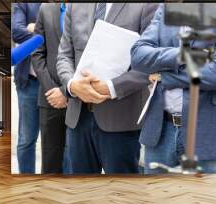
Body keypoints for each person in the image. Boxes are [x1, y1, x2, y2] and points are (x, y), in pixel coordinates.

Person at [56, 3, 159, 174]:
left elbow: (150, 60)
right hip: (78, 120)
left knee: (122, 196)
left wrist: (111, 88)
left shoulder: (147, 5)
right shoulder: (74, 6)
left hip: (121, 120)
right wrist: (72, 85)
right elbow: (64, 55)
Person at [130, 4, 216, 174]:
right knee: (158, 197)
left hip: (205, 128)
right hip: (161, 130)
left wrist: (164, 76)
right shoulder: (164, 11)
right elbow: (138, 55)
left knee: (206, 197)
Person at [32, 3, 68, 173]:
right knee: (51, 160)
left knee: (79, 161)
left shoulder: (91, 9)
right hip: (50, 98)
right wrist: (53, 90)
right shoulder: (45, 10)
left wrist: (68, 91)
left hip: (81, 99)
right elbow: (37, 53)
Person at [12, 3, 41, 174]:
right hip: (28, 82)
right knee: (27, 139)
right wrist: (46, 31)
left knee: (62, 140)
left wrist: (33, 28)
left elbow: (64, 35)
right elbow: (16, 31)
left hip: (55, 83)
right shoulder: (24, 4)